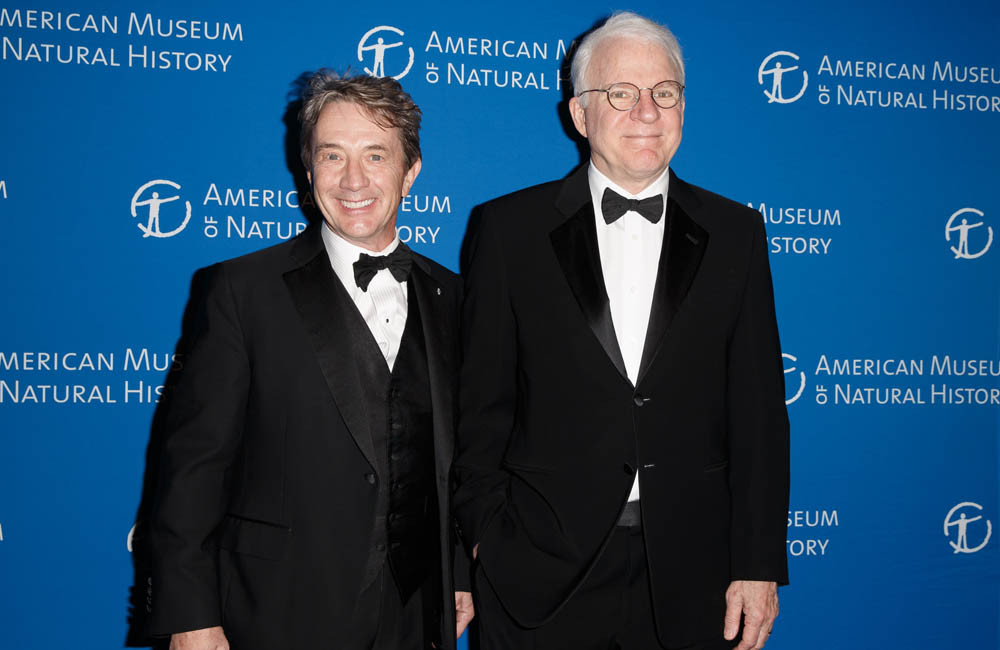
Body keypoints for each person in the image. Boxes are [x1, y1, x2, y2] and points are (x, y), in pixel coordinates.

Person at [454, 11, 788, 650]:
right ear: (580, 115)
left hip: (695, 578)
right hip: (539, 574)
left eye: (665, 93)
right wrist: (483, 540)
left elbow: (759, 413)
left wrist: (757, 563)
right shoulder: (507, 231)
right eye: (621, 94)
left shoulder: (737, 235)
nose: (646, 111)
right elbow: (480, 407)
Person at [147, 71, 472, 650]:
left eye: (376, 155)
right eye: (332, 155)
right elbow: (193, 471)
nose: (353, 179)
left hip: (416, 614)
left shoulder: (454, 297)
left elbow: (453, 461)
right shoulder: (241, 291)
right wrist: (189, 616)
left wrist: (459, 573)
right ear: (307, 168)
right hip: (277, 609)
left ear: (410, 173)